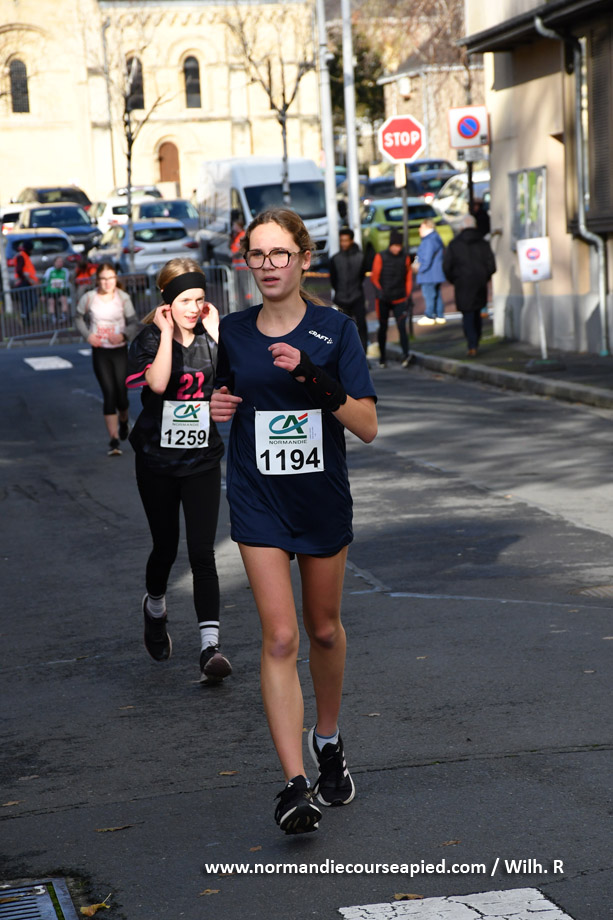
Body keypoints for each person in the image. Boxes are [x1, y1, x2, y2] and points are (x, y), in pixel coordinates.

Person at [210, 208, 377, 835]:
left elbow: (366, 425)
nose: (268, 265)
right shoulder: (234, 331)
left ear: (305, 259)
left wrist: (309, 374)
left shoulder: (335, 329)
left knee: (324, 631)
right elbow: (226, 396)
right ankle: (294, 784)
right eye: (257, 255)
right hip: (258, 499)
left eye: (280, 253)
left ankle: (326, 738)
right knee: (280, 637)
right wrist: (218, 406)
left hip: (319, 500)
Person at [125, 258, 232, 684]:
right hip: (158, 461)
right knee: (165, 547)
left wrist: (220, 335)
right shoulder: (150, 338)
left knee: (203, 552)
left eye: (200, 299)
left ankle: (210, 648)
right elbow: (156, 383)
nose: (194, 308)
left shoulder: (211, 334)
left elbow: (238, 377)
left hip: (202, 458)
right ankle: (155, 608)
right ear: (167, 302)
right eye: (185, 300)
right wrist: (168, 333)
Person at [75, 262, 138, 455]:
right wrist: (88, 336)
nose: (107, 282)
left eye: (110, 278)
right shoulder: (89, 297)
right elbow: (77, 317)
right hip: (100, 351)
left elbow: (133, 322)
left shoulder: (123, 298)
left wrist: (123, 335)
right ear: (97, 280)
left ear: (115, 279)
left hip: (119, 350)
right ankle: (114, 440)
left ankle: (124, 421)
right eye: (103, 279)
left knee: (121, 395)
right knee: (109, 393)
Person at [443, 214, 496, 357]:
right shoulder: (483, 243)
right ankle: (475, 340)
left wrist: (455, 279)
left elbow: (447, 266)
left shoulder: (455, 244)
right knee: (476, 311)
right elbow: (491, 265)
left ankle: (472, 344)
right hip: (479, 282)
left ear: (462, 227)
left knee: (467, 313)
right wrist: (484, 276)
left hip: (462, 283)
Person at [370, 229, 413, 368]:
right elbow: (374, 277)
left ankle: (406, 354)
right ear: (390, 245)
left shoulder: (405, 258)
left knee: (402, 327)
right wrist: (380, 292)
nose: (397, 249)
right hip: (383, 299)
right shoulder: (380, 257)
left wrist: (407, 295)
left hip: (399, 298)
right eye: (395, 246)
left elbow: (409, 278)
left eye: (399, 246)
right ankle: (382, 357)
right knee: (383, 327)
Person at [329, 227, 368, 352]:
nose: (343, 243)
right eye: (341, 240)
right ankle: (346, 354)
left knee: (362, 325)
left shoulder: (361, 257)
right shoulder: (335, 259)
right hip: (341, 298)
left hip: (357, 296)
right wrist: (339, 292)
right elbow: (333, 280)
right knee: (343, 329)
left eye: (346, 240)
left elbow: (362, 276)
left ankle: (363, 353)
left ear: (351, 241)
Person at [415, 219, 446, 326]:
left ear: (427, 227)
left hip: (429, 274)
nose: (419, 229)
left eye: (421, 227)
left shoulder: (429, 240)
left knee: (429, 295)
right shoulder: (435, 238)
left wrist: (420, 269)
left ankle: (430, 315)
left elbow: (427, 259)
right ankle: (439, 315)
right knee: (436, 295)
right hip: (435, 273)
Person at [14, 240, 39, 324]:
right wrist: (26, 278)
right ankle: (24, 316)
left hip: (27, 282)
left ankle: (25, 319)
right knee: (31, 301)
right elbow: (19, 270)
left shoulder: (24, 256)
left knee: (27, 301)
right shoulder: (21, 256)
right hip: (24, 282)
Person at [44, 255, 70, 323]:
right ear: (54, 262)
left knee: (64, 300)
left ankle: (63, 316)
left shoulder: (65, 271)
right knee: (51, 302)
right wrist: (42, 294)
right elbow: (44, 281)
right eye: (58, 261)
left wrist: (68, 293)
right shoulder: (49, 270)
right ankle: (52, 317)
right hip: (51, 291)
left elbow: (66, 283)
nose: (60, 263)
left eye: (61, 262)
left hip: (61, 291)